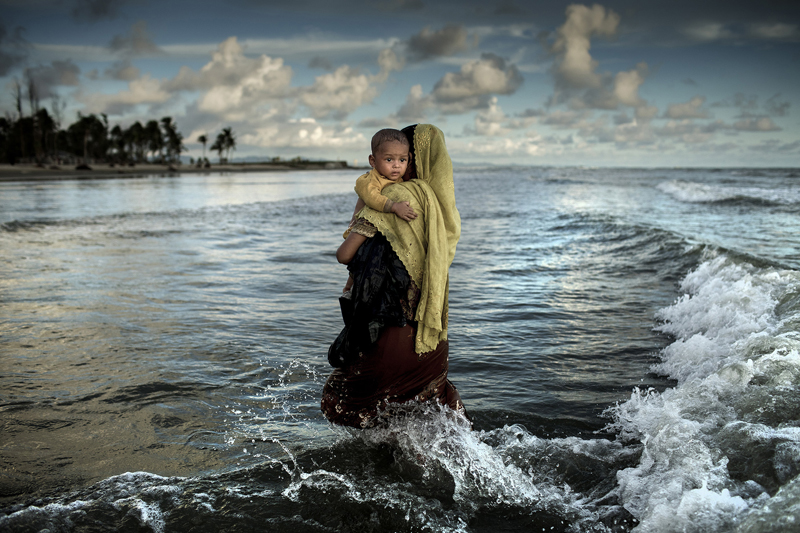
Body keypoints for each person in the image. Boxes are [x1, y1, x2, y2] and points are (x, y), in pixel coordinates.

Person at [321, 124, 466, 429]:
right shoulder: (438, 207)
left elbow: (346, 255)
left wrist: (361, 216)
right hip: (431, 337)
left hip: (393, 334)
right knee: (431, 425)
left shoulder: (395, 196)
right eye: (392, 159)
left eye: (405, 158)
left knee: (339, 400)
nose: (399, 165)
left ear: (414, 159)